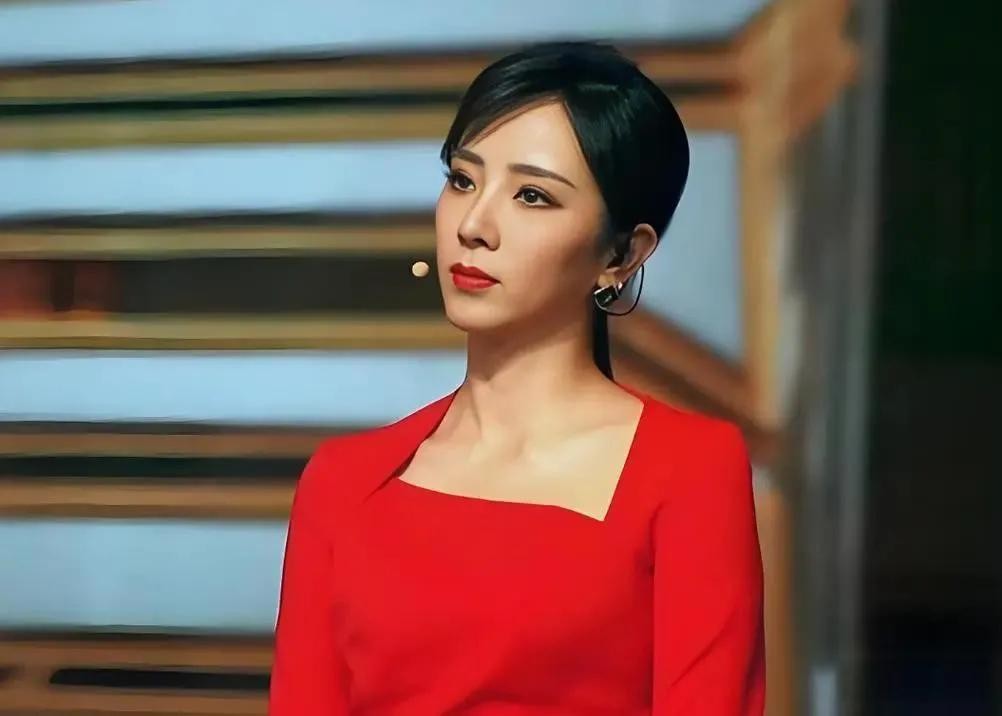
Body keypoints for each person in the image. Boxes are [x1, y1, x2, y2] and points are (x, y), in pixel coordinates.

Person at [268, 41, 765, 715]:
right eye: (462, 180)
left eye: (532, 195)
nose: (474, 225)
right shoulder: (343, 482)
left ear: (622, 254)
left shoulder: (688, 470)